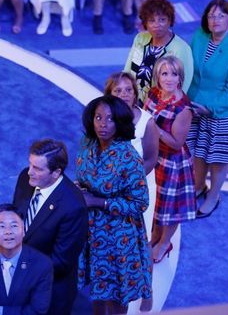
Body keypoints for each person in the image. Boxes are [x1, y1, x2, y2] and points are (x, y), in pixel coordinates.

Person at [76, 96, 152, 315]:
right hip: (91, 230)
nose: (102, 124)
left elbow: (140, 203)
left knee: (117, 292)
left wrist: (99, 201)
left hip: (119, 236)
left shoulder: (129, 157)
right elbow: (83, 178)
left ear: (120, 122)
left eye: (110, 119)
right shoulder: (87, 145)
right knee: (98, 290)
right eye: (98, 117)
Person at [186, 0, 228, 218]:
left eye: (221, 16)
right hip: (195, 105)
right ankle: (198, 186)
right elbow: (188, 69)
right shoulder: (199, 36)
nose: (215, 20)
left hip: (221, 112)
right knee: (199, 151)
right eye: (211, 16)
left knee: (218, 158)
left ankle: (213, 196)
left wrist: (209, 108)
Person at [12, 139, 88, 315]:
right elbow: (17, 214)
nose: (30, 172)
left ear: (56, 173)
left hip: (48, 293)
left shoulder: (73, 207)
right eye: (30, 164)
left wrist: (19, 265)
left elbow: (61, 262)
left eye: (37, 168)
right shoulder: (26, 178)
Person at [104, 72, 158, 312]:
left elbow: (151, 159)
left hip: (140, 190)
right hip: (111, 191)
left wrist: (129, 182)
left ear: (136, 93)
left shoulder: (147, 122)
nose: (124, 95)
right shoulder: (103, 119)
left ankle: (147, 290)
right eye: (118, 90)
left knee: (141, 244)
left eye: (128, 90)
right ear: (109, 94)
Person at [144, 56, 196, 262]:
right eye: (164, 73)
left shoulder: (183, 108)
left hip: (172, 162)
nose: (168, 79)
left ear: (180, 78)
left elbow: (176, 143)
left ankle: (165, 243)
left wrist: (153, 127)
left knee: (171, 208)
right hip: (154, 156)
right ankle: (156, 234)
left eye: (174, 74)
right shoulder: (154, 93)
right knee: (157, 203)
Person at [124, 0, 193, 106]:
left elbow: (183, 87)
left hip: (161, 109)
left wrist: (160, 110)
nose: (157, 25)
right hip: (134, 104)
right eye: (152, 20)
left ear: (170, 21)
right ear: (145, 23)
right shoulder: (140, 38)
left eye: (162, 19)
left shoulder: (181, 49)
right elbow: (127, 71)